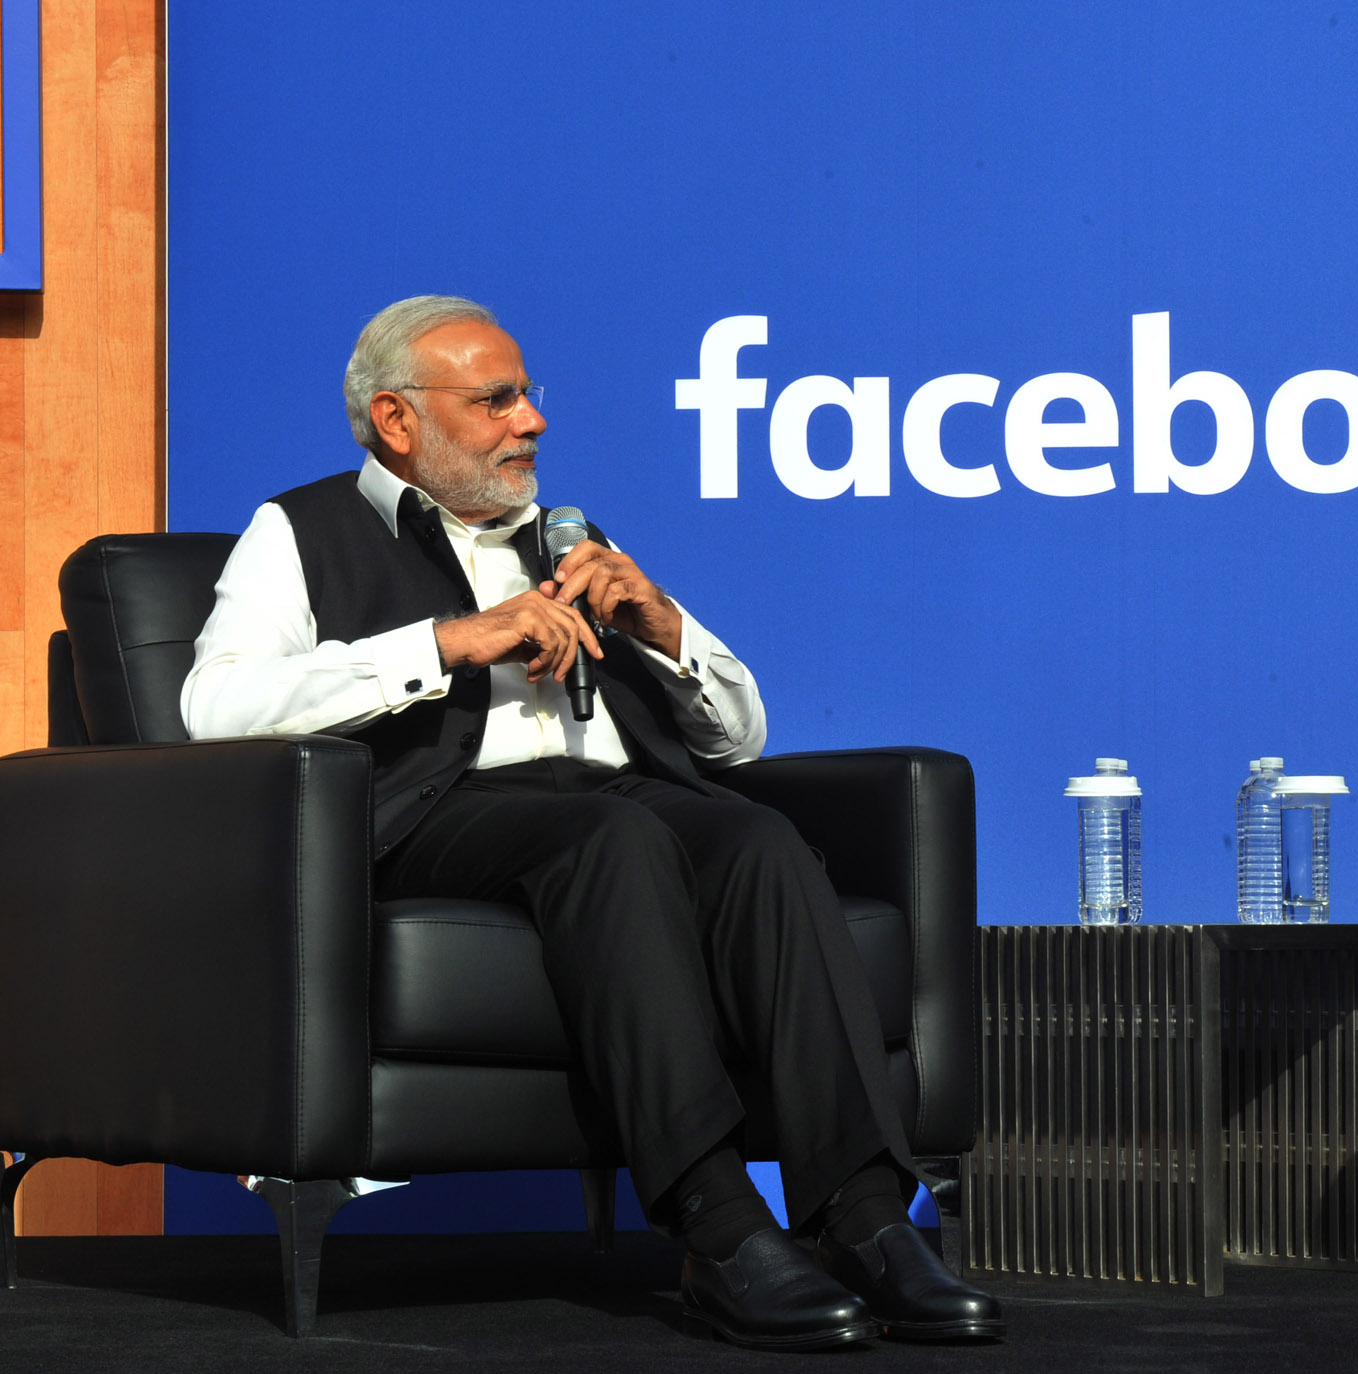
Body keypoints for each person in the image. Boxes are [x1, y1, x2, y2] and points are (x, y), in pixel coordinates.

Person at [180, 295, 1004, 1352]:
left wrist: (660, 626)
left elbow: (738, 739)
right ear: (397, 421)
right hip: (435, 814)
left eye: (527, 396)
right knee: (613, 843)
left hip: (613, 797)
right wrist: (444, 644)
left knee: (754, 839)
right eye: (497, 401)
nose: (532, 422)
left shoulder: (571, 540)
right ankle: (718, 1228)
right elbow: (214, 710)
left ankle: (869, 1218)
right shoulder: (300, 530)